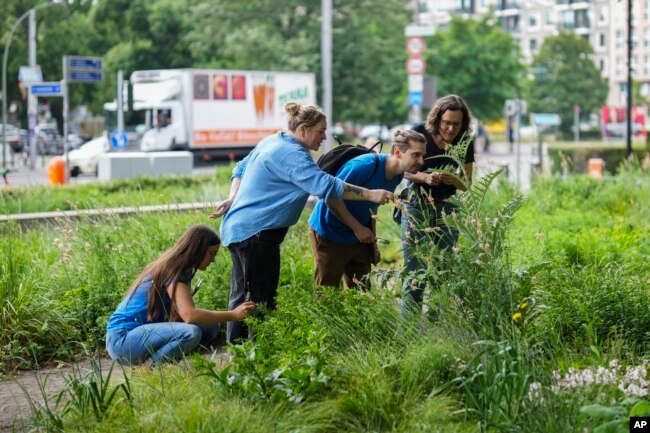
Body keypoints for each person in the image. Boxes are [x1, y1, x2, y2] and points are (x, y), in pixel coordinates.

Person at [210, 101, 394, 343]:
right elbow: (326, 186)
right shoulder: (291, 154)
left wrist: (233, 197)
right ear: (303, 129)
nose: (324, 137)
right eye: (320, 131)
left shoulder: (274, 140)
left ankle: (241, 353)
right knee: (260, 301)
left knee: (243, 296)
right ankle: (253, 356)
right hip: (256, 234)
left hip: (244, 230)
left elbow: (240, 168)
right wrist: (370, 194)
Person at [106, 225, 255, 367]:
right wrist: (234, 315)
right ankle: (151, 368)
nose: (213, 260)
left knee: (210, 327)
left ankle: (161, 360)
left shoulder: (181, 268)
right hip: (123, 341)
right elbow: (190, 316)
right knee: (191, 333)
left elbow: (183, 315)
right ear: (198, 250)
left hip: (136, 336)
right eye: (211, 254)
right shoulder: (175, 269)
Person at [308, 130, 426, 289]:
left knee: (361, 292)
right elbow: (330, 197)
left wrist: (373, 244)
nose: (421, 161)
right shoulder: (364, 166)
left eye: (422, 156)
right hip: (330, 232)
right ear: (397, 152)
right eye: (416, 155)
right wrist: (358, 229)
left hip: (359, 235)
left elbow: (373, 206)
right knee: (327, 294)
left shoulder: (397, 175)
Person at [401, 94, 475, 315]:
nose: (451, 129)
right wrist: (424, 177)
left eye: (456, 124)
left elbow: (467, 183)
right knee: (415, 270)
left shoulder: (465, 141)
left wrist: (454, 180)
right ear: (437, 119)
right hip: (416, 203)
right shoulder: (418, 133)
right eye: (446, 123)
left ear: (463, 124)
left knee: (444, 271)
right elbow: (397, 167)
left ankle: (436, 326)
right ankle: (410, 329)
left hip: (447, 208)